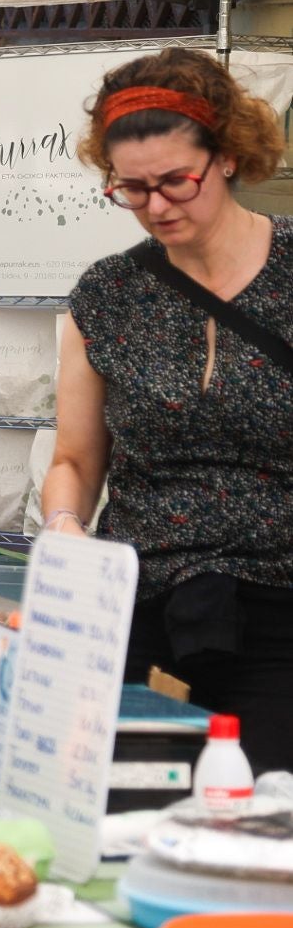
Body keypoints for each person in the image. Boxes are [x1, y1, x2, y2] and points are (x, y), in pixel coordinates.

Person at [42, 48, 293, 775]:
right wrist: (64, 525)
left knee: (264, 815)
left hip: (281, 614)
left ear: (228, 156)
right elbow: (75, 459)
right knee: (127, 810)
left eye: (176, 181)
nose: (156, 207)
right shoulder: (107, 294)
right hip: (138, 611)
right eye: (132, 189)